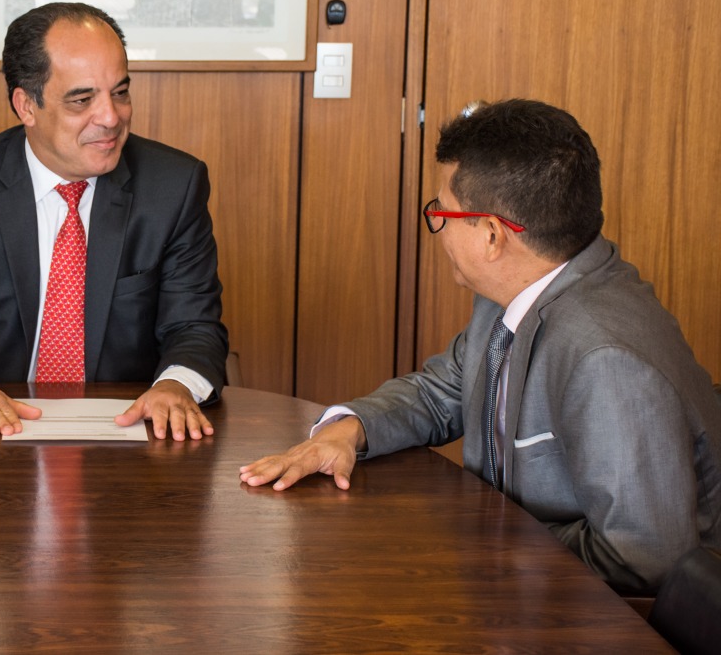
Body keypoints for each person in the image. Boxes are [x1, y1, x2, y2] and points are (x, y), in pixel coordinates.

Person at [240, 98, 721, 595]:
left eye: (441, 212)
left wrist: (480, 542)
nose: (438, 227)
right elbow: (440, 391)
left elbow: (641, 562)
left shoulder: (607, 360)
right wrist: (348, 429)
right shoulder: (519, 290)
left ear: (492, 235)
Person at [0, 2, 228, 441]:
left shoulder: (173, 186)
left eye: (120, 92)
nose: (111, 117)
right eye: (82, 99)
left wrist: (175, 386)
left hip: (129, 435)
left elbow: (195, 328)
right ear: (26, 106)